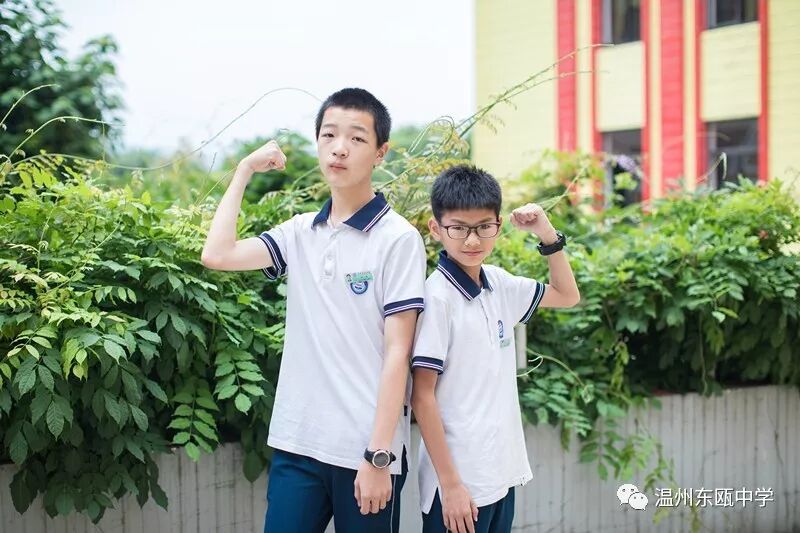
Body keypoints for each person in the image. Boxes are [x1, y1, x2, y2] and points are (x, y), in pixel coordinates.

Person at [201, 88, 426, 533]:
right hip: (298, 445)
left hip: (366, 453)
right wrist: (243, 170)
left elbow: (398, 352)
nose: (339, 148)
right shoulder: (300, 232)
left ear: (380, 152)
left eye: (357, 138)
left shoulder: (398, 239)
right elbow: (217, 254)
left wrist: (379, 456)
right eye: (329, 135)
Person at [410, 164, 580, 533]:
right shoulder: (436, 298)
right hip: (458, 487)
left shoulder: (499, 284)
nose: (472, 241)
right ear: (436, 229)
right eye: (459, 228)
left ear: (498, 226)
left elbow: (567, 295)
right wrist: (450, 486)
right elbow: (422, 397)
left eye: (484, 227)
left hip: (501, 474)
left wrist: (547, 234)